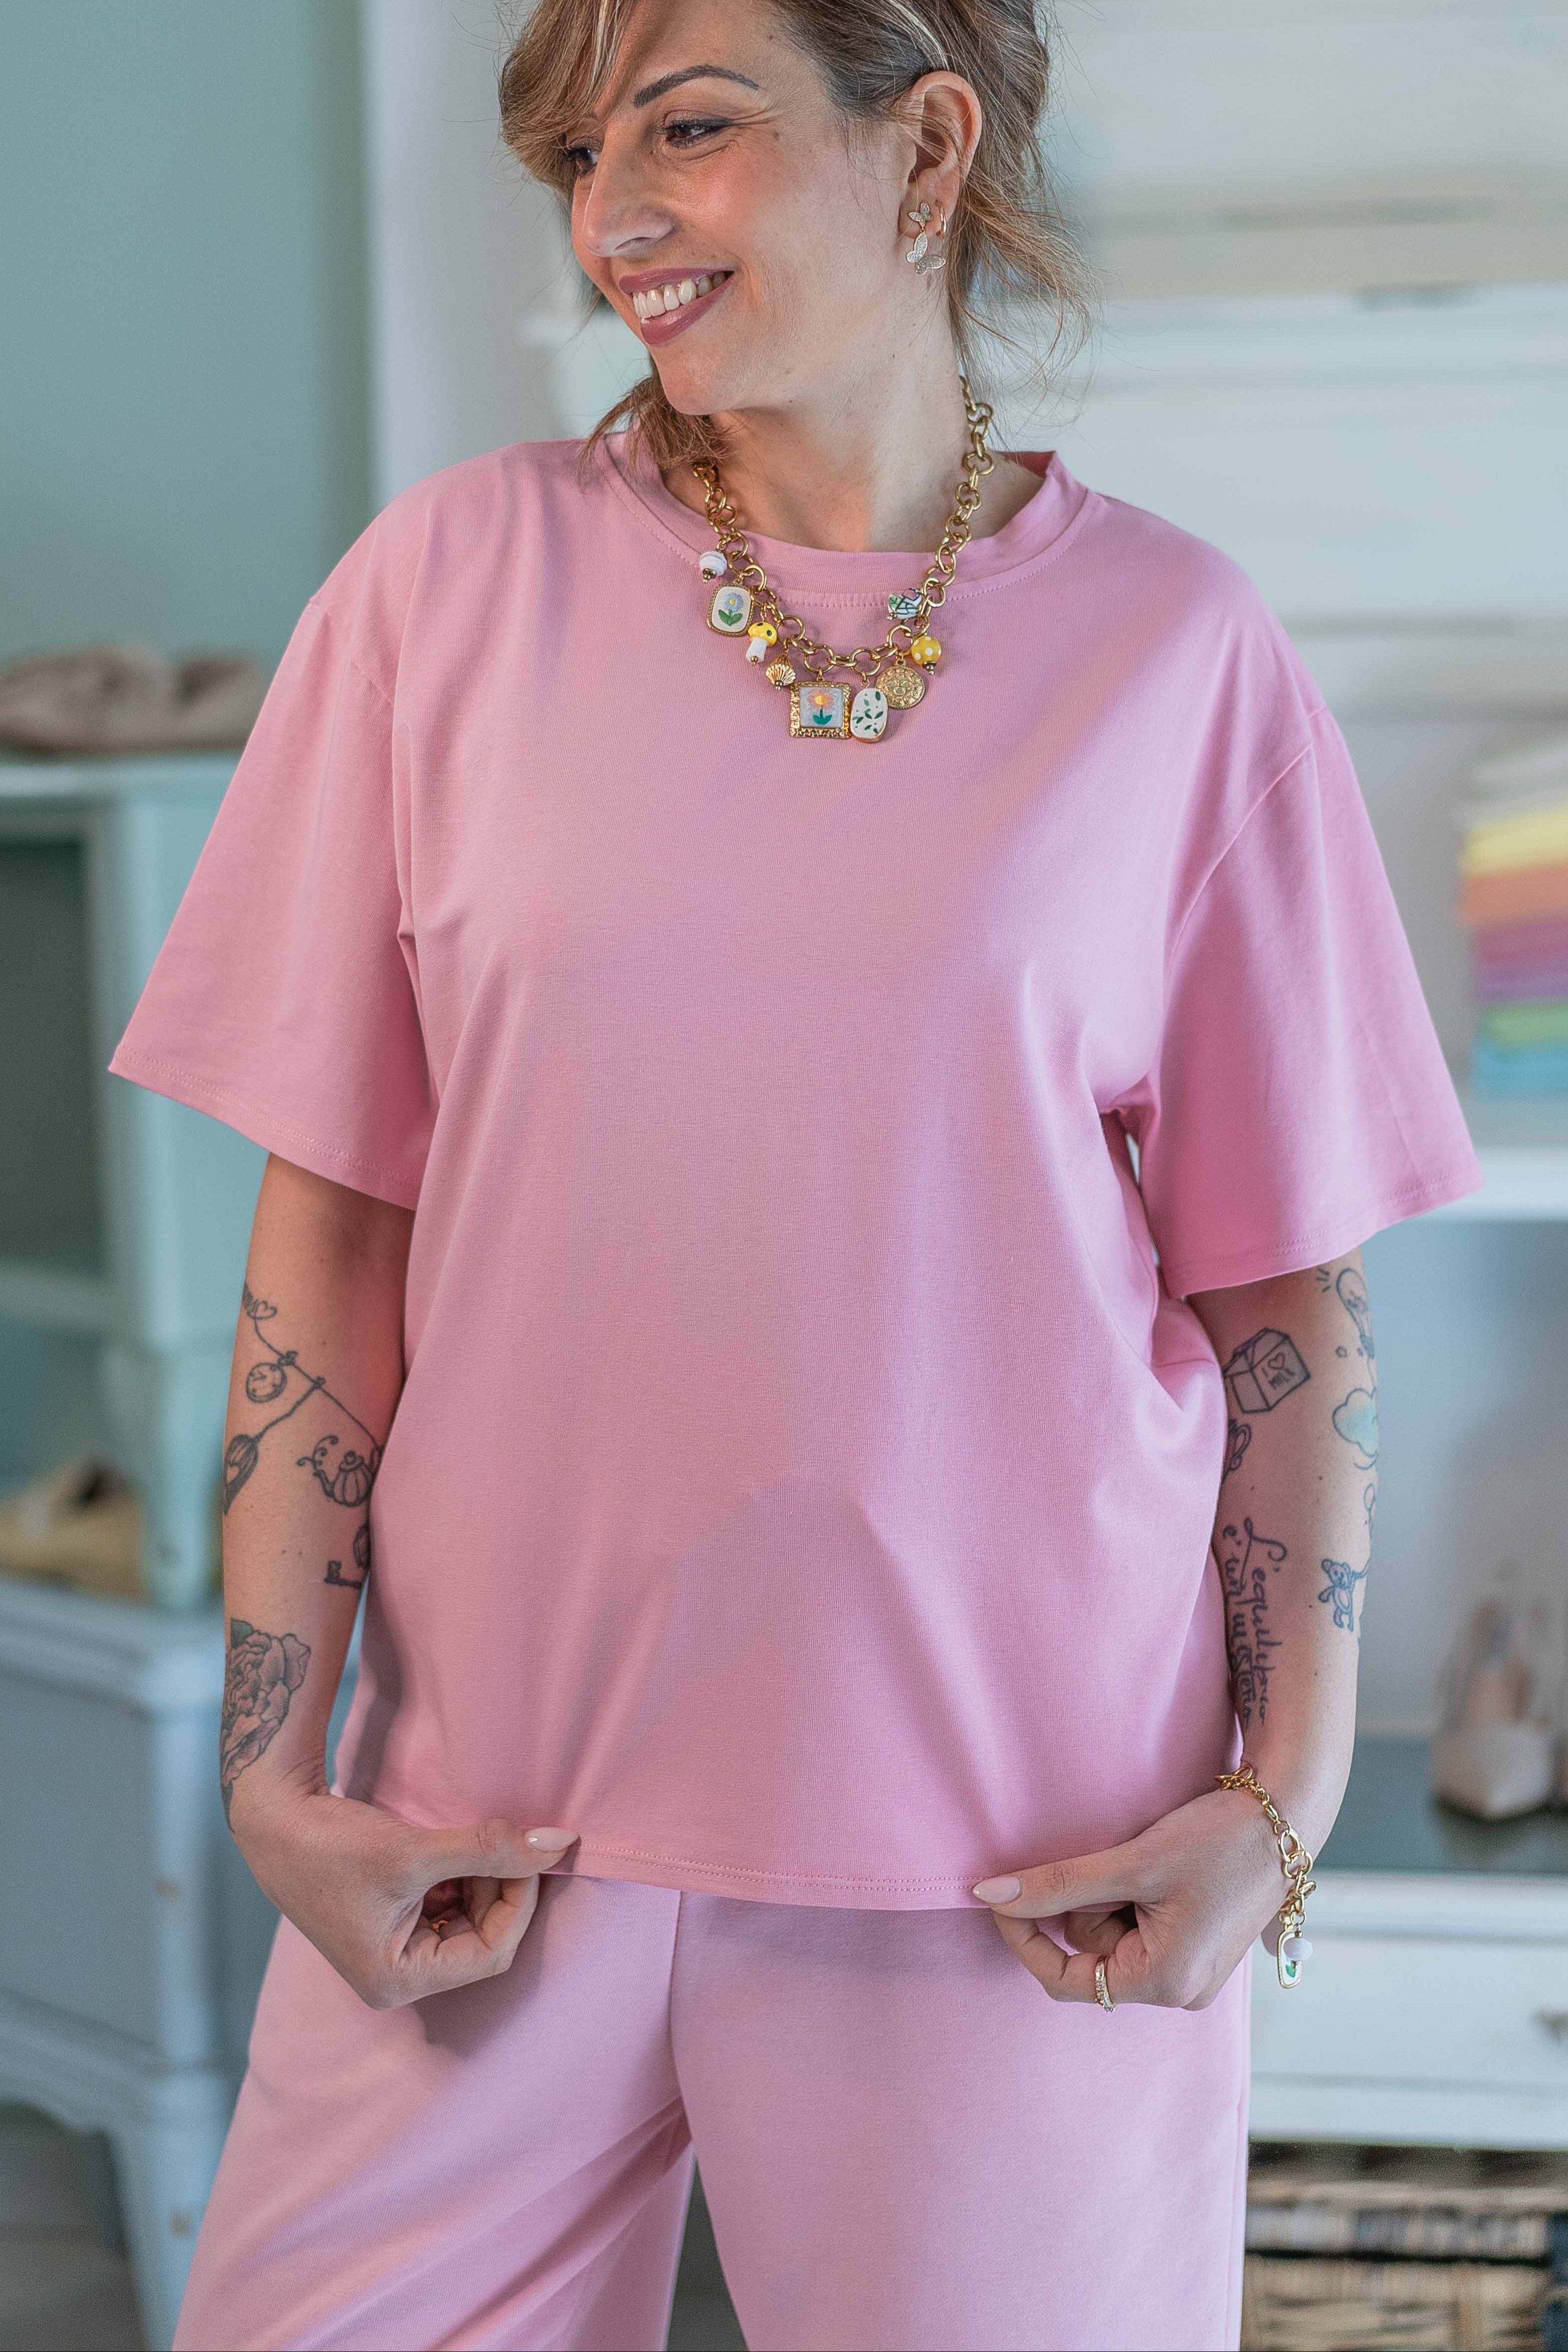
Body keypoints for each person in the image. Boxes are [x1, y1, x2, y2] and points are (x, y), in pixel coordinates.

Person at [107, 0, 1483, 2345]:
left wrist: (1280, 1804)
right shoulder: (444, 592)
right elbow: (335, 1220)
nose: (612, 215)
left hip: (1015, 1862)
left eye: (689, 128)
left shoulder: (1174, 650)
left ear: (924, 147)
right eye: (575, 155)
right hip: (484, 1833)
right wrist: (277, 1776)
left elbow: (1283, 1290)